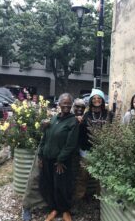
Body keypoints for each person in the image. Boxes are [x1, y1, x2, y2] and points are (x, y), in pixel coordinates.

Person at [38, 93, 79, 221]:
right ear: (59, 104)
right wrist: (40, 155)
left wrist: (60, 159)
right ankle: (54, 209)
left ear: (71, 105)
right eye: (64, 103)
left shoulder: (73, 121)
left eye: (68, 103)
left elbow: (70, 144)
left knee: (62, 186)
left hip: (61, 161)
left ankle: (65, 210)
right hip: (47, 158)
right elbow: (45, 137)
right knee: (48, 184)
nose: (66, 105)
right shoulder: (54, 119)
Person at [78, 89, 113, 197]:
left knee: (101, 178)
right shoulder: (87, 115)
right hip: (87, 151)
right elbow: (82, 132)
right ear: (91, 101)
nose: (96, 100)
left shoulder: (109, 114)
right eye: (94, 98)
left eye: (99, 98)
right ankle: (78, 200)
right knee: (82, 177)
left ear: (102, 100)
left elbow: (113, 131)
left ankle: (100, 203)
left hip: (103, 151)